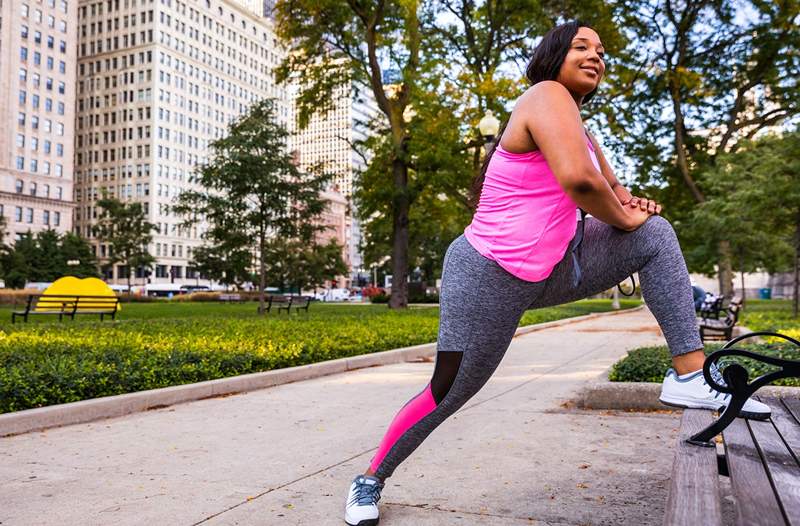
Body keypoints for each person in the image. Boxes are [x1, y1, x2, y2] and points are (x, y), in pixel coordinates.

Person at [343, 20, 770, 526]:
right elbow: (581, 183)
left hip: (557, 265)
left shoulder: (582, 130)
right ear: (553, 57)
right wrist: (623, 212)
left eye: (601, 51)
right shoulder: (545, 95)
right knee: (450, 390)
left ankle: (691, 376)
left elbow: (611, 190)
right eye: (581, 47)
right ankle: (369, 480)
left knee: (655, 234)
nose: (595, 56)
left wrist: (635, 207)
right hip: (488, 273)